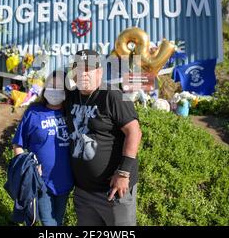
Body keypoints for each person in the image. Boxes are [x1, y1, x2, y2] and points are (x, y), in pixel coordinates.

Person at [65, 49, 142, 226]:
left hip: (113, 191)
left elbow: (134, 132)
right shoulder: (71, 96)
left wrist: (124, 172)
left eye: (89, 69)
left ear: (99, 72)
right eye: (79, 69)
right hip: (83, 192)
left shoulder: (114, 95)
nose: (84, 74)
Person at [12, 70, 73, 226]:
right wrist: (28, 169)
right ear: (45, 88)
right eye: (51, 86)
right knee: (48, 222)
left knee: (57, 221)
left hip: (65, 180)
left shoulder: (71, 113)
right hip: (40, 181)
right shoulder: (34, 112)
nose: (54, 90)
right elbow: (18, 144)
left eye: (59, 87)